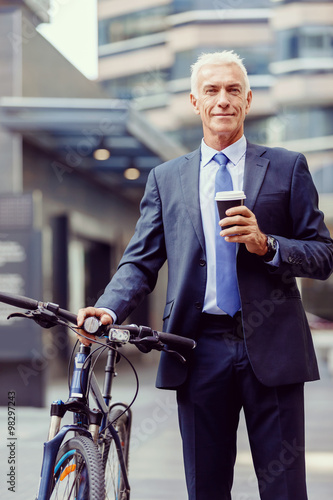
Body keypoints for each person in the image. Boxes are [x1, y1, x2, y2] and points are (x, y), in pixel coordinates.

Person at [77, 51, 333, 499]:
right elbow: (140, 261)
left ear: (248, 99)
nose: (223, 100)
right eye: (211, 90)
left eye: (233, 90)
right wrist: (109, 308)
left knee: (285, 489)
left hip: (273, 347)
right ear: (195, 101)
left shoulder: (287, 167)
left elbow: (323, 255)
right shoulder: (166, 178)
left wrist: (267, 244)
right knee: (206, 488)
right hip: (197, 349)